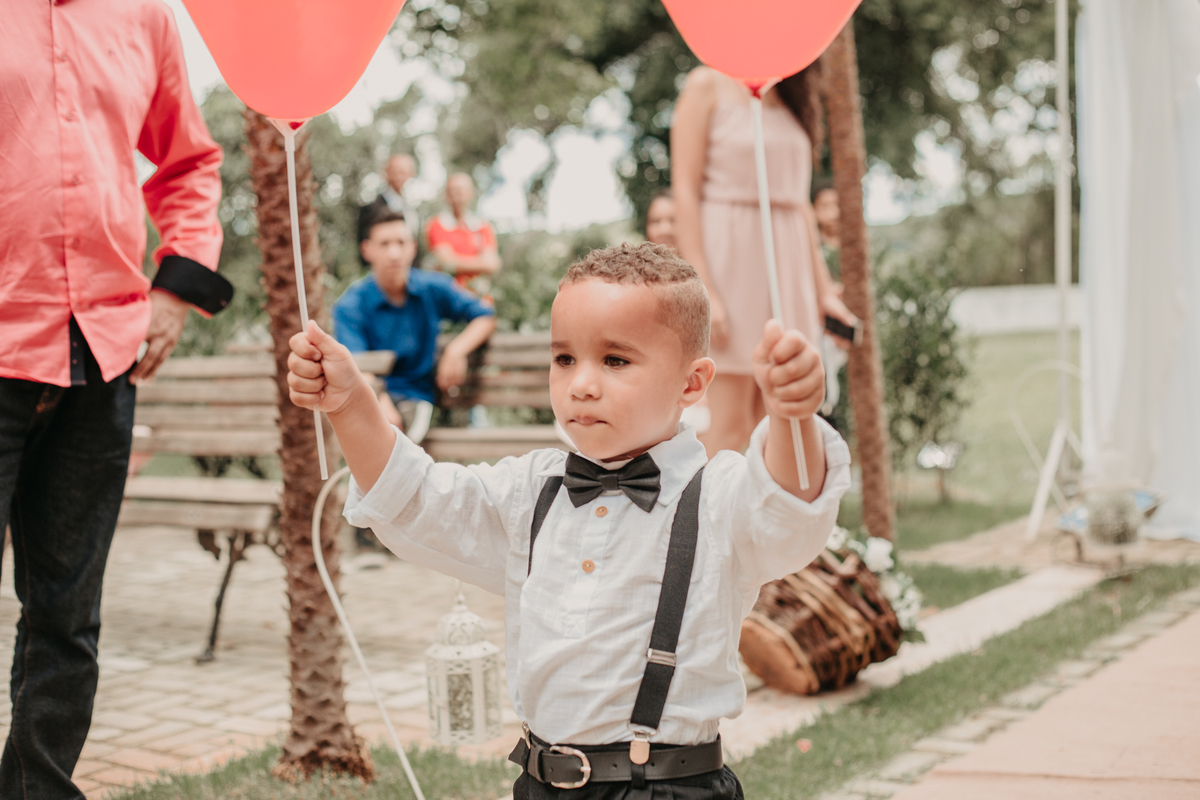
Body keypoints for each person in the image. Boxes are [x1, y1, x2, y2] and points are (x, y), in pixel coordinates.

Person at [287, 242, 850, 800]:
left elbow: (786, 517)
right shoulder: (531, 490)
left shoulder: (716, 496)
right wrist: (351, 405)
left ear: (692, 383)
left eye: (615, 360)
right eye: (564, 359)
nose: (581, 383)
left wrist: (792, 419)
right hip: (540, 784)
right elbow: (420, 500)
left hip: (668, 788)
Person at [1, 2, 231, 796]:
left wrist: (174, 292)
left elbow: (189, 163)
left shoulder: (143, 16)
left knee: (68, 618)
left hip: (101, 351)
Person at [671, 65, 858, 458]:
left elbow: (802, 207)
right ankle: (695, 517)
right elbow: (684, 192)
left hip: (787, 265)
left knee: (777, 423)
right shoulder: (707, 84)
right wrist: (703, 287)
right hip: (731, 261)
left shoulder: (794, 92)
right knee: (730, 424)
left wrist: (823, 292)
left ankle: (763, 518)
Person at [333, 210, 496, 435]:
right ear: (367, 250)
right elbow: (357, 367)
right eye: (384, 244)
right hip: (370, 399)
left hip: (416, 401)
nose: (394, 253)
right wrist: (378, 402)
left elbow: (485, 315)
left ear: (412, 248)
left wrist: (456, 350)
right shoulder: (349, 305)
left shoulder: (432, 287)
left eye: (401, 242)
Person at [426, 173, 501, 301]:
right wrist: (481, 262)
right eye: (453, 191)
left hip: (480, 299)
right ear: (446, 195)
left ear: (470, 193)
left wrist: (457, 261)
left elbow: (492, 264)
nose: (457, 195)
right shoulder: (436, 225)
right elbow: (447, 263)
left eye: (461, 190)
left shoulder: (482, 226)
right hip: (448, 299)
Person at [357, 153, 420, 266]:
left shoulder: (411, 209)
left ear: (411, 174)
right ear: (385, 173)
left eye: (403, 172)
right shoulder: (371, 209)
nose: (398, 176)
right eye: (395, 171)